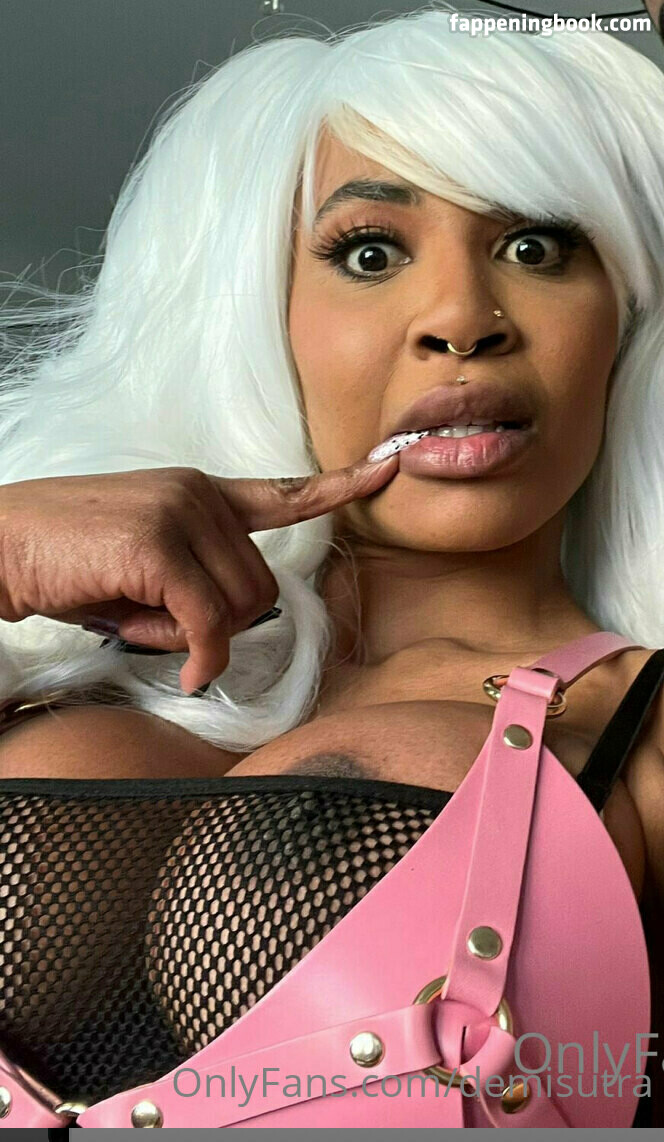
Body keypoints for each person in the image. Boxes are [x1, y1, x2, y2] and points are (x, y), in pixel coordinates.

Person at [0, 3, 663, 1129]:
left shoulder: (639, 736)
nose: (461, 319)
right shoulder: (47, 654)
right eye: (369, 252)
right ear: (259, 312)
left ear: (629, 316)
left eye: (536, 248)